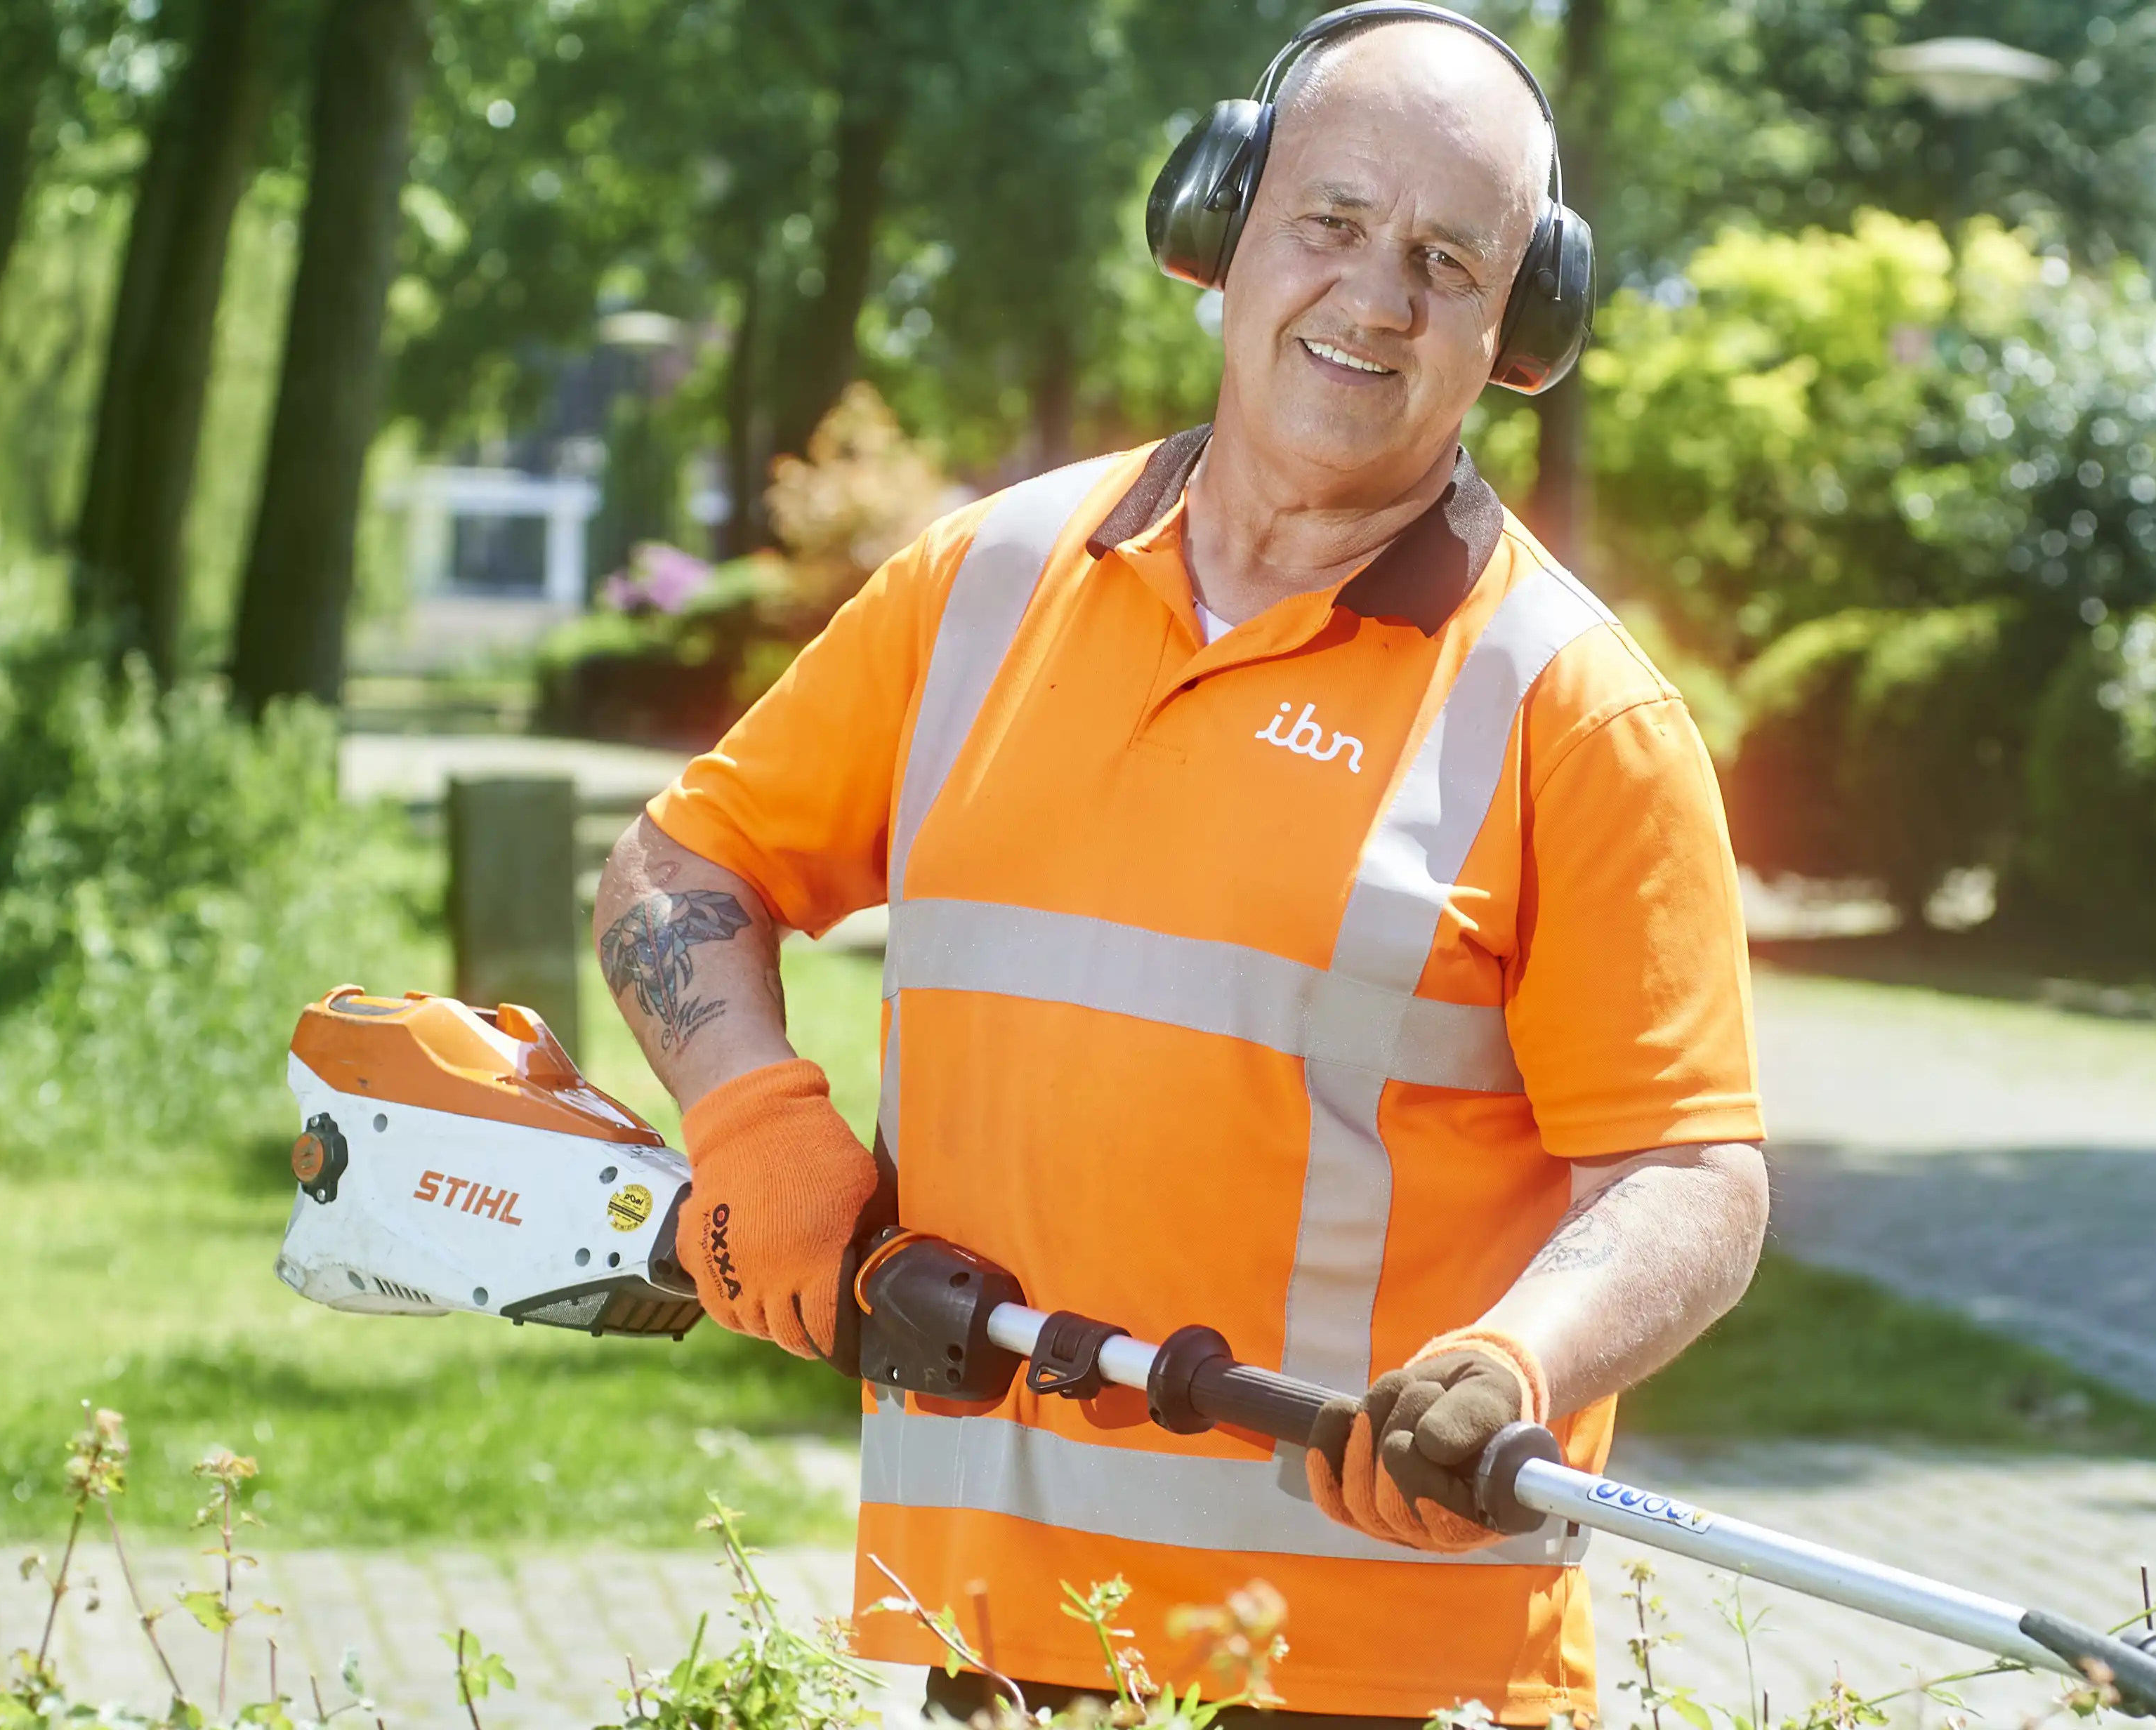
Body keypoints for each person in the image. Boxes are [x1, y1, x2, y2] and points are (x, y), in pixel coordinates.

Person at [591, 6, 1767, 1722]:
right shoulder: (979, 587)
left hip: (1372, 1673)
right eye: (1333, 222)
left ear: (1523, 325)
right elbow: (677, 864)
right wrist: (753, 1118)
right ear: (1217, 223)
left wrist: (1521, 1358)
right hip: (988, 1639)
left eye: (1449, 261)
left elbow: (1690, 1175)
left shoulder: (1571, 712)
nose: (1376, 297)